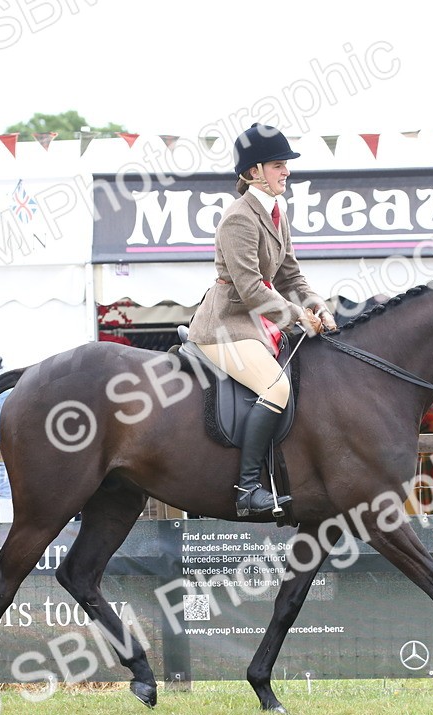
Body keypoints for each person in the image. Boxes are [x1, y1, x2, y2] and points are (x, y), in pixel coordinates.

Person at [187, 123, 337, 516]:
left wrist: (316, 304)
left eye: (285, 164)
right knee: (276, 389)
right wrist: (297, 317)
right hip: (224, 328)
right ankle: (247, 488)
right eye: (277, 165)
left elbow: (290, 275)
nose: (286, 171)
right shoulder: (239, 218)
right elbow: (252, 289)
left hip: (255, 325)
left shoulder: (276, 213)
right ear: (254, 171)